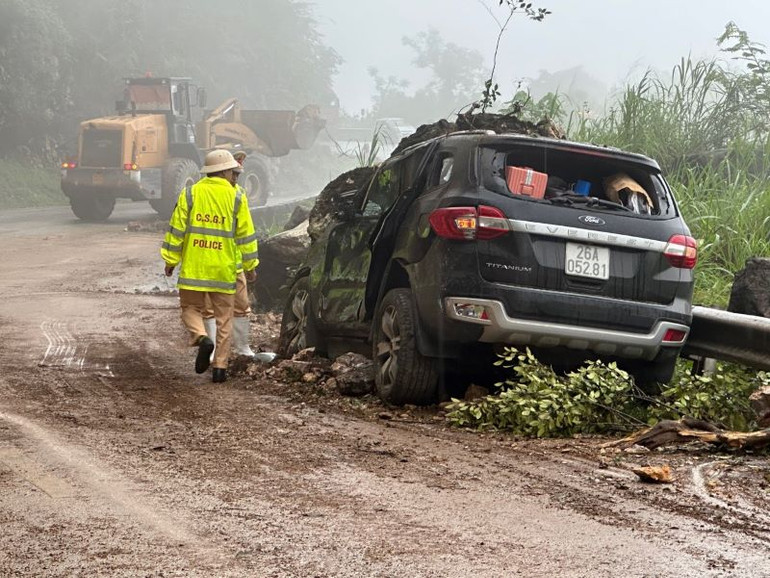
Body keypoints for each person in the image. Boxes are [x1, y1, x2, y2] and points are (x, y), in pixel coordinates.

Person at [161, 149, 259, 383]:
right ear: (224, 171)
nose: (234, 175)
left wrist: (170, 260)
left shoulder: (190, 194)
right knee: (225, 319)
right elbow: (246, 235)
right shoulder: (237, 196)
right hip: (223, 270)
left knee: (190, 310)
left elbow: (177, 231)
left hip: (194, 269)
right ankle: (220, 369)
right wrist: (250, 265)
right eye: (232, 171)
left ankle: (202, 338)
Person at [202, 150, 261, 358]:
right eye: (233, 173)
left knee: (241, 306)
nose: (235, 178)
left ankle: (242, 348)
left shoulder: (237, 196)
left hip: (230, 264)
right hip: (212, 263)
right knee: (209, 308)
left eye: (237, 174)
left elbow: (244, 236)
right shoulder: (207, 195)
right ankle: (215, 351)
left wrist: (249, 264)